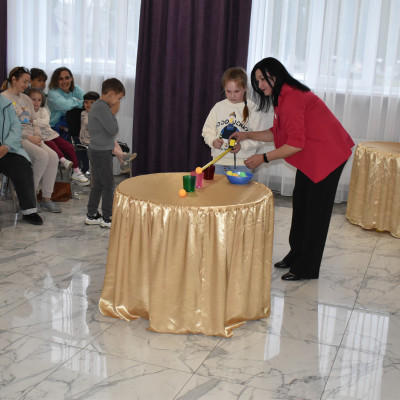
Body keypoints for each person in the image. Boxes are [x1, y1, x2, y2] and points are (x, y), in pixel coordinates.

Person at [231, 57, 355, 281]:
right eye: (257, 80)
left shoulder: (292, 97)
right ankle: (296, 254)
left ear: (276, 75)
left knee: (315, 214)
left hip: (328, 155)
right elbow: (278, 133)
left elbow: (295, 144)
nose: (260, 85)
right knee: (301, 205)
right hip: (312, 156)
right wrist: (247, 135)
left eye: (263, 79)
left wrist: (263, 158)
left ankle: (306, 268)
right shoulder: (282, 96)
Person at [1, 67, 61, 213]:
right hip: (18, 139)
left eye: (28, 82)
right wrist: (29, 137)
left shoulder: (26, 99)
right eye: (24, 81)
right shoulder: (4, 98)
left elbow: (34, 121)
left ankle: (46, 198)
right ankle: (30, 198)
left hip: (33, 137)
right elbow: (9, 127)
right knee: (42, 156)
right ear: (14, 80)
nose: (27, 85)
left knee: (53, 157)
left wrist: (37, 135)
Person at [202, 67, 262, 175]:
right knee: (219, 187)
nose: (232, 95)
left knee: (241, 187)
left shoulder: (253, 109)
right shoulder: (218, 107)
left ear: (245, 88)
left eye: (236, 91)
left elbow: (259, 137)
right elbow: (207, 132)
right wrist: (213, 141)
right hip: (219, 163)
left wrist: (242, 146)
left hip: (243, 164)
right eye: (228, 91)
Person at [26, 88, 90, 185]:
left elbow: (45, 122)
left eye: (39, 100)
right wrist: (37, 123)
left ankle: (76, 171)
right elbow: (29, 124)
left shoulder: (43, 110)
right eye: (33, 99)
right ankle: (63, 161)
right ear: (27, 99)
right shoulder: (26, 112)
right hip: (39, 137)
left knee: (68, 146)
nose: (36, 102)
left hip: (49, 133)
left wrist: (33, 121)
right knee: (52, 145)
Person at [84, 78, 125, 228]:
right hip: (101, 152)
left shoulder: (98, 106)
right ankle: (108, 217)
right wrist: (113, 113)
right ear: (111, 93)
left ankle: (91, 214)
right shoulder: (102, 108)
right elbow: (113, 130)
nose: (118, 102)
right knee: (108, 185)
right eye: (118, 98)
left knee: (98, 185)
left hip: (97, 149)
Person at [0, 95, 43, 225]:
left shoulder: (6, 103)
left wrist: (6, 146)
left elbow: (16, 127)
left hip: (7, 148)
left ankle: (29, 211)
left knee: (22, 165)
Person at [80, 91, 137, 174]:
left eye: (92, 102)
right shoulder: (84, 113)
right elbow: (88, 123)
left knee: (113, 141)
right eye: (86, 102)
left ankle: (123, 164)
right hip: (87, 140)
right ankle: (124, 155)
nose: (88, 105)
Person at [47, 66, 85, 135]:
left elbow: (87, 101)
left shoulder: (75, 88)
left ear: (71, 78)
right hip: (55, 126)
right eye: (61, 79)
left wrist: (72, 103)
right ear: (56, 80)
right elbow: (65, 106)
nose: (64, 81)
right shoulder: (52, 91)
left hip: (74, 122)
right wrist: (76, 100)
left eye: (67, 78)